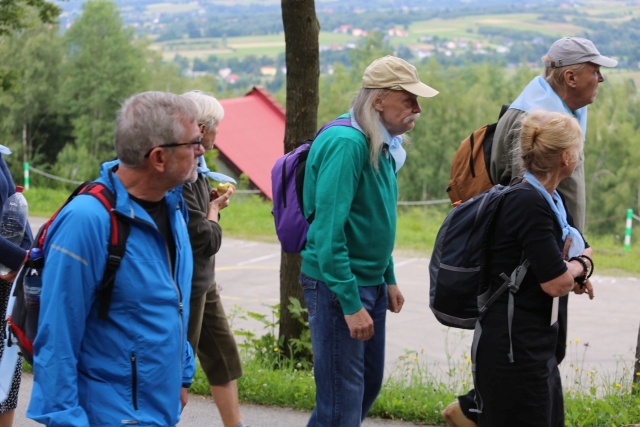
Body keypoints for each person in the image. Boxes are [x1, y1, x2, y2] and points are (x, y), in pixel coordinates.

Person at [443, 36, 617, 427]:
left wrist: (573, 259)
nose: (600, 79)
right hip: (530, 280)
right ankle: (475, 408)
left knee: (547, 359)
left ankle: (479, 408)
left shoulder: (558, 111)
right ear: (570, 76)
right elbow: (521, 208)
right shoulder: (533, 119)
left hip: (553, 264)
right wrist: (567, 268)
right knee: (530, 370)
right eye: (595, 71)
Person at [27, 91, 199, 426]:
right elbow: (56, 337)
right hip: (107, 415)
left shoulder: (173, 207)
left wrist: (182, 373)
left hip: (157, 411)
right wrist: (66, 420)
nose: (201, 151)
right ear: (159, 157)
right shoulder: (87, 220)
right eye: (193, 142)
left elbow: (172, 301)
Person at [300, 55, 438, 426]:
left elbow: (375, 220)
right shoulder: (347, 143)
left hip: (369, 283)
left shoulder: (380, 143)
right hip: (338, 285)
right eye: (409, 99)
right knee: (342, 402)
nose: (417, 109)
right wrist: (348, 300)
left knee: (363, 390)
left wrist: (387, 276)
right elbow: (328, 231)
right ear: (379, 100)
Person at [180, 90, 248, 427]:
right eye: (216, 127)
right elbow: (205, 238)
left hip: (203, 283)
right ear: (203, 128)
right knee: (177, 373)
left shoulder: (198, 169)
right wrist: (214, 211)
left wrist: (210, 205)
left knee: (224, 359)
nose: (218, 134)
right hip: (184, 287)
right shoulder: (183, 173)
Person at [0, 146, 32, 427]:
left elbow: (15, 205)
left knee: (7, 370)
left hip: (5, 278)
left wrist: (27, 253)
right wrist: (22, 259)